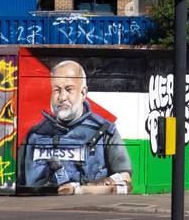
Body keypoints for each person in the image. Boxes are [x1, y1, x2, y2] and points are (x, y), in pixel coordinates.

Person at [22, 59, 132, 195]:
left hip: (89, 211)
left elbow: (125, 180)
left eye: (69, 90)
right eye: (56, 90)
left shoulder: (105, 132)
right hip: (41, 210)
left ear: (83, 93)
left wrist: (80, 190)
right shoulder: (35, 135)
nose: (62, 97)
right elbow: (23, 183)